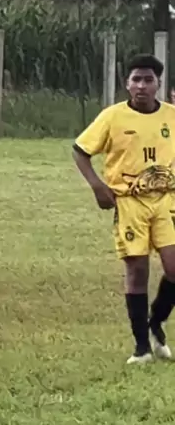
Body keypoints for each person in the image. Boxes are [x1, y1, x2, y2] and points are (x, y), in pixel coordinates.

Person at [73, 54, 175, 365]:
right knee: (137, 270)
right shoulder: (113, 117)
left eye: (148, 80)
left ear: (158, 84)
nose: (142, 86)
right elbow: (80, 151)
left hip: (166, 200)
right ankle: (142, 347)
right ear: (127, 84)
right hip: (129, 202)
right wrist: (97, 186)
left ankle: (156, 321)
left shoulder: (171, 116)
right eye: (136, 80)